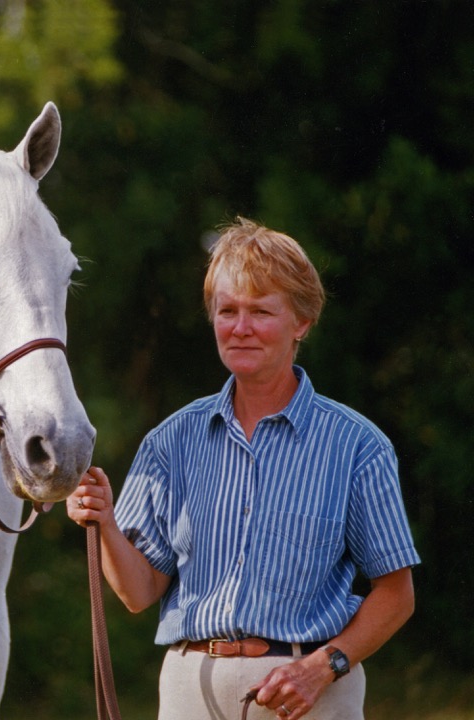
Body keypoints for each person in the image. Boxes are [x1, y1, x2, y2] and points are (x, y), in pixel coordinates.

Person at [68, 217, 419, 720]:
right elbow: (139, 592)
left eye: (260, 311)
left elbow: (396, 595)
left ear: (301, 322)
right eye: (227, 311)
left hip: (310, 694)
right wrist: (103, 524)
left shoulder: (357, 445)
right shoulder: (171, 441)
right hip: (192, 687)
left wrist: (322, 667)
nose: (241, 327)